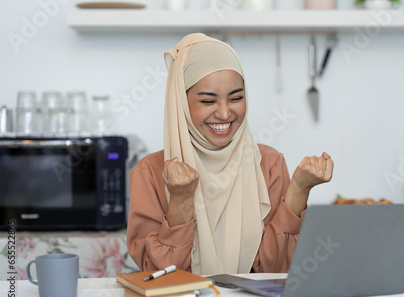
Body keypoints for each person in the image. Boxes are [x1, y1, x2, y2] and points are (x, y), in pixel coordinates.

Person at [127, 33, 334, 275]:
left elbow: (278, 271)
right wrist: (180, 200)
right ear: (180, 103)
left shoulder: (269, 164)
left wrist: (299, 190)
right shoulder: (150, 172)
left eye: (236, 98)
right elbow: (156, 275)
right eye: (207, 101)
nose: (225, 114)